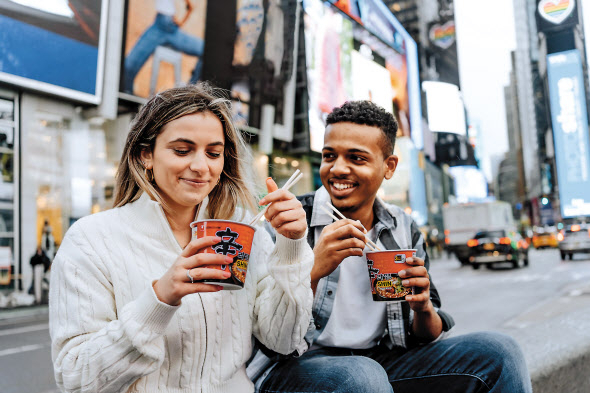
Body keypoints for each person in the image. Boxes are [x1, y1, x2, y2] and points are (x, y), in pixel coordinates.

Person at [250, 101, 532, 393]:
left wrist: (422, 307)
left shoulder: (401, 227)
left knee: (500, 353)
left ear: (389, 166)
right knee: (362, 376)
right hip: (297, 366)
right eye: (329, 155)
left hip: (381, 361)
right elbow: (271, 343)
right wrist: (312, 269)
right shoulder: (289, 223)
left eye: (356, 158)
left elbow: (425, 335)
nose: (337, 168)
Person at [49, 83, 314, 393]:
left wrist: (292, 245)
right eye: (182, 150)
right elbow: (76, 378)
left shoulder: (243, 228)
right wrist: (160, 299)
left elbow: (283, 341)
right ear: (146, 154)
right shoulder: (91, 239)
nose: (201, 167)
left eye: (214, 153)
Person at [123, 0, 204, 94]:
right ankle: (127, 94)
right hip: (159, 26)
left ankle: (190, 91)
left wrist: (182, 21)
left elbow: (190, 7)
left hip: (171, 29)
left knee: (204, 49)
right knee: (128, 65)